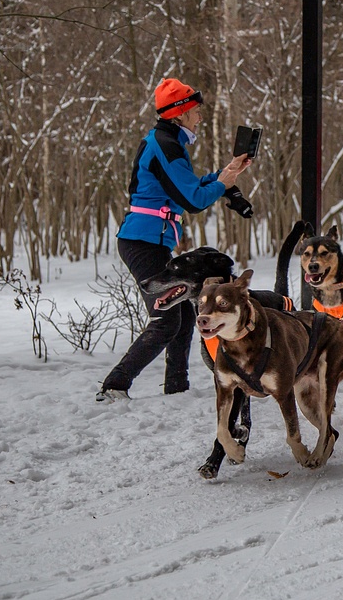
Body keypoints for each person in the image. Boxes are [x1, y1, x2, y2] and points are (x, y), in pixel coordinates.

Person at [97, 78, 253, 402]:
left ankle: (176, 388)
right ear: (180, 113)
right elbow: (193, 200)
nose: (199, 117)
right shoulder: (165, 144)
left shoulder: (169, 143)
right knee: (166, 318)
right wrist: (222, 184)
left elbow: (189, 187)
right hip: (141, 241)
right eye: (195, 111)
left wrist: (225, 175)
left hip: (153, 240)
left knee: (180, 312)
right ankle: (114, 385)